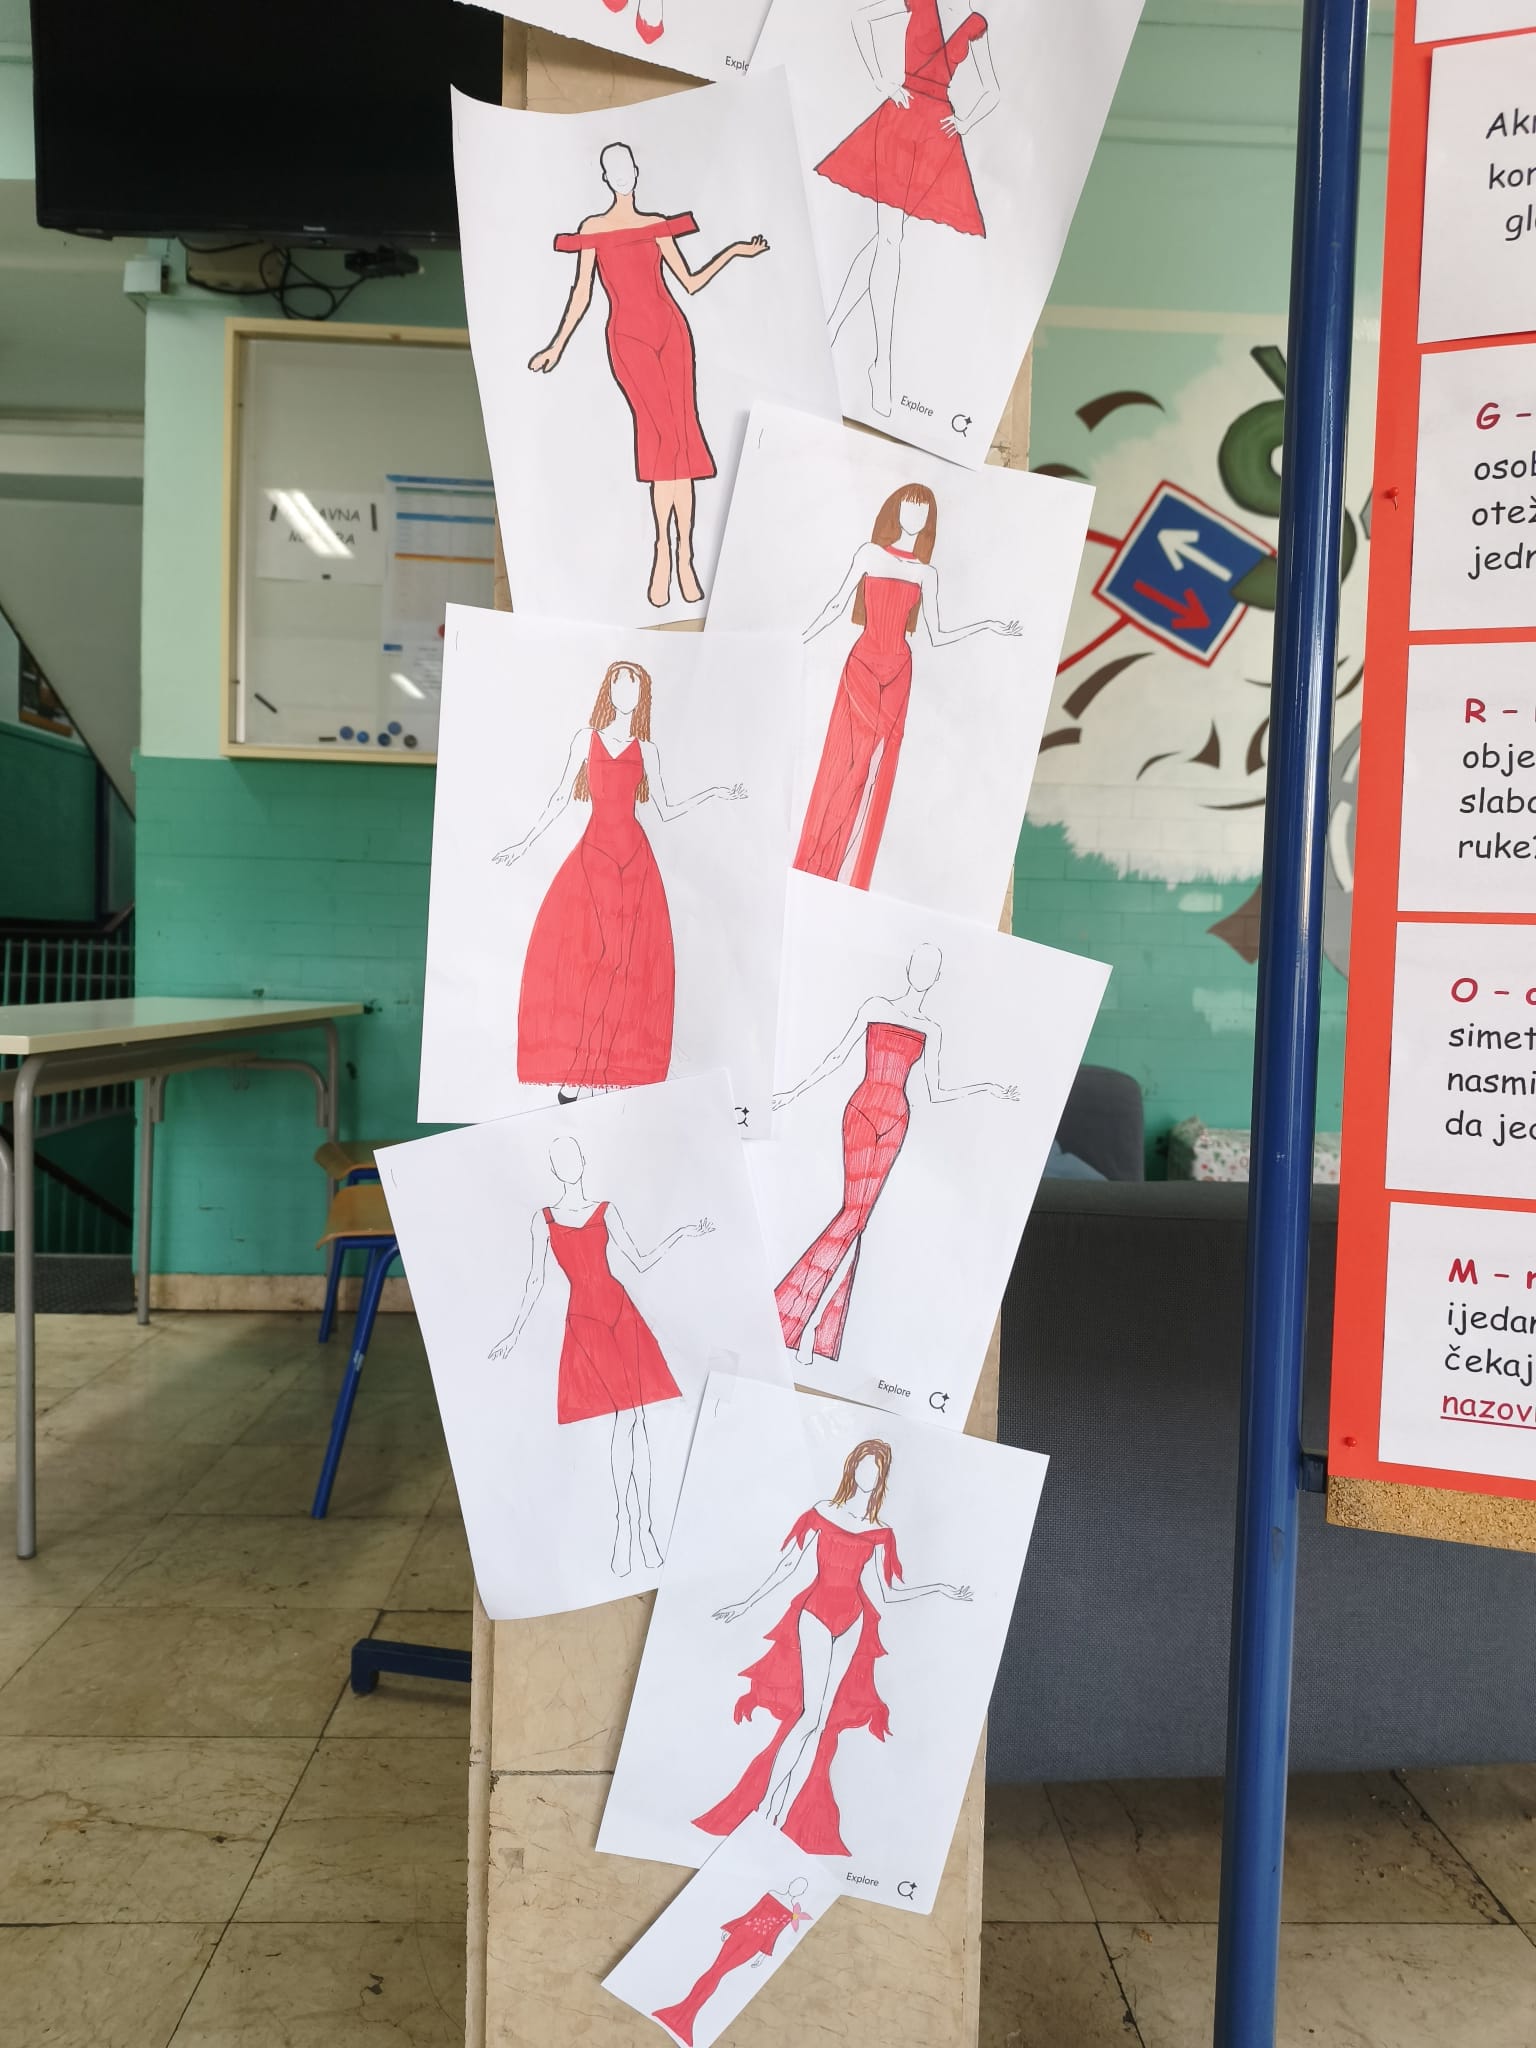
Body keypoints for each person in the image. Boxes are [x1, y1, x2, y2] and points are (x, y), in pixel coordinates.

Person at [695, 1440, 971, 1854]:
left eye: (875, 1470)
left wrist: (940, 1588)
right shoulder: (823, 1512)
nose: (867, 1475)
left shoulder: (880, 1531)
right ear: (852, 1468)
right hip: (815, 1614)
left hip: (852, 1620)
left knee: (820, 1723)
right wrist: (745, 1604)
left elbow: (887, 1594)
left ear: (882, 1478)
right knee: (808, 1717)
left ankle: (778, 1813)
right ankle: (766, 1808)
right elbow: (789, 1565)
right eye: (863, 1466)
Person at [530, 143, 768, 608]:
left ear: (636, 172)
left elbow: (690, 282)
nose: (622, 174)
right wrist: (557, 345)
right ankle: (663, 550)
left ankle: (685, 557)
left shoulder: (656, 224)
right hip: (628, 340)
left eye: (627, 166)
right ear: (605, 178)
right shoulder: (592, 230)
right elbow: (582, 293)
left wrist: (735, 251)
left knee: (682, 437)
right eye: (613, 169)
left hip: (672, 333)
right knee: (663, 439)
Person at [494, 659, 746, 1098]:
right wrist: (524, 843)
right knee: (594, 961)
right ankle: (579, 1070)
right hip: (594, 858)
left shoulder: (648, 750)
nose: (623, 690)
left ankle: (604, 1072)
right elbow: (559, 796)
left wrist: (716, 793)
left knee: (626, 965)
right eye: (617, 683)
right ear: (607, 691)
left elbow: (666, 810)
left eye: (631, 684)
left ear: (641, 694)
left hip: (634, 860)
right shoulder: (585, 739)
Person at [773, 943, 1016, 1366]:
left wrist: (987, 1088)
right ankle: (802, 1324)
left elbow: (936, 1092)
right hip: (862, 1110)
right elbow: (837, 1055)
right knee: (852, 1214)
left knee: (860, 1220)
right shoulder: (875, 1006)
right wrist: (792, 1093)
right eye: (918, 964)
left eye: (930, 968)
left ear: (935, 978)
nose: (922, 972)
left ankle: (812, 1328)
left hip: (897, 1119)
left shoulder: (931, 1029)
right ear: (908, 968)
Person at [488, 1134, 712, 1577]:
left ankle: (640, 1528)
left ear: (583, 1161)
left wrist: (684, 1232)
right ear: (555, 1169)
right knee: (627, 1418)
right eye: (561, 1159)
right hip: (586, 1320)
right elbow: (535, 1280)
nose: (569, 1164)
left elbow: (640, 1260)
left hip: (620, 1310)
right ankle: (629, 1526)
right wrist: (514, 1334)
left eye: (573, 1156)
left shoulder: (606, 1210)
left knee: (635, 1417)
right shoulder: (543, 1220)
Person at [797, 484, 1019, 891]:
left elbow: (938, 634)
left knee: (875, 769)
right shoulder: (869, 554)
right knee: (848, 765)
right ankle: (816, 862)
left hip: (900, 670)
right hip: (862, 665)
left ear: (929, 520)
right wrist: (796, 642)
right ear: (894, 511)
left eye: (922, 511)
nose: (914, 516)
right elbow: (835, 605)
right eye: (908, 507)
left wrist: (988, 625)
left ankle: (848, 874)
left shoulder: (925, 573)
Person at [818, 0, 1002, 415]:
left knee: (885, 240)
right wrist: (882, 81)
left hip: (935, 132)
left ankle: (831, 329)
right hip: (899, 121)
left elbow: (992, 90)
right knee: (889, 239)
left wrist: (966, 121)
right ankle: (881, 365)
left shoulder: (975, 22)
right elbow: (860, 18)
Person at [650, 1878, 812, 2045]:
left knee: (717, 1973)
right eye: (796, 1885)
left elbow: (773, 1934)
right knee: (714, 1971)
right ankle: (682, 2016)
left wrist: (762, 1955)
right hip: (741, 1934)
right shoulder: (772, 1895)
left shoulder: (789, 1912)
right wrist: (731, 1928)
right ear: (791, 1884)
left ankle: (685, 2017)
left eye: (799, 1888)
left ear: (799, 1892)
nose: (796, 1888)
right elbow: (751, 1914)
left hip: (752, 1944)